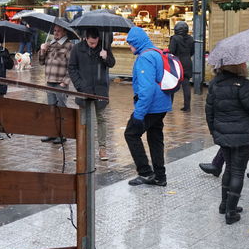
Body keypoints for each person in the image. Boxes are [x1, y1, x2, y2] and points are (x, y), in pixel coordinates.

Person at [206, 63, 249, 224]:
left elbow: (209, 110)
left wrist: (214, 131)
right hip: (243, 135)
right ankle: (231, 212)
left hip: (224, 133)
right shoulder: (243, 84)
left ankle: (225, 204)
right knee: (238, 172)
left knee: (228, 167)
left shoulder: (215, 84)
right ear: (237, 67)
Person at [199, 60, 249, 179]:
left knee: (237, 138)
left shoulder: (247, 70)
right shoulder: (240, 73)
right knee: (238, 135)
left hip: (244, 112)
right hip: (242, 117)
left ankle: (218, 165)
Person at [124, 27, 172, 187]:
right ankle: (160, 176)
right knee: (155, 137)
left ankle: (145, 173)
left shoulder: (145, 58)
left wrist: (139, 114)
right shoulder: (156, 52)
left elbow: (147, 89)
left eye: (131, 44)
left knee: (131, 133)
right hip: (162, 104)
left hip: (151, 106)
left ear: (137, 43)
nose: (130, 47)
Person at [68, 28, 116, 161]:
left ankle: (102, 148)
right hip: (84, 89)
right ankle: (82, 149)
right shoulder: (77, 49)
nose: (93, 45)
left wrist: (106, 57)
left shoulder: (104, 47)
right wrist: (79, 85)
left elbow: (112, 63)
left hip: (100, 90)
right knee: (83, 120)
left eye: (95, 43)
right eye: (91, 43)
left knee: (101, 118)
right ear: (86, 39)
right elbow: (71, 68)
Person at [39, 24, 74, 144]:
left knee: (61, 109)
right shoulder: (50, 44)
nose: (56, 32)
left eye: (59, 30)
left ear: (64, 32)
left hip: (60, 83)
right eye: (54, 30)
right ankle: (52, 133)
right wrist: (42, 50)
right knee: (51, 109)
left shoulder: (69, 45)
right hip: (50, 81)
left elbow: (72, 66)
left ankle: (62, 134)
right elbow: (41, 62)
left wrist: (65, 82)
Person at [169, 21, 194, 112]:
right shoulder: (191, 38)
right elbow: (192, 51)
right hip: (187, 61)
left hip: (176, 62)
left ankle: (169, 104)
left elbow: (171, 51)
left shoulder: (174, 38)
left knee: (172, 83)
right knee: (186, 85)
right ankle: (187, 106)